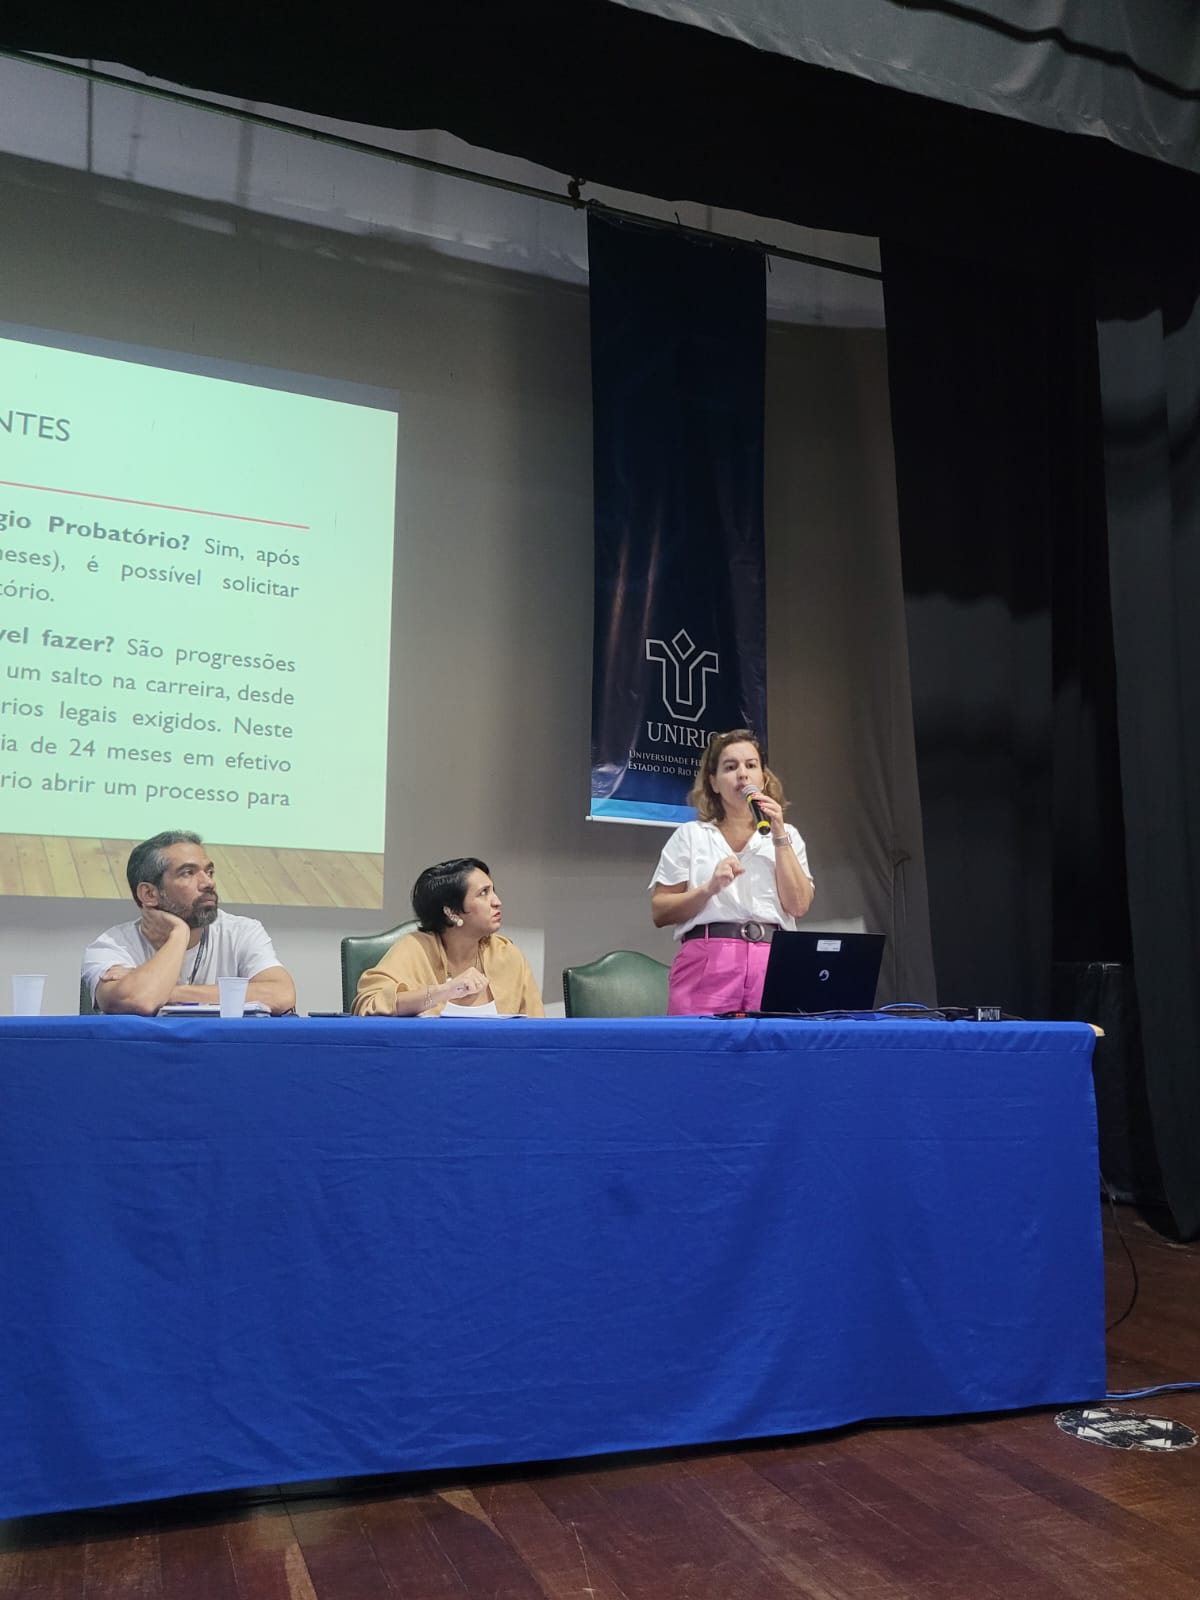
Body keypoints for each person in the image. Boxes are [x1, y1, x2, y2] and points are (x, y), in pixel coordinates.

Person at [649, 729, 814, 1014]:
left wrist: (779, 835)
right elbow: (660, 911)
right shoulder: (691, 835)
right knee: (700, 1042)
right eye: (730, 767)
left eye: (751, 765)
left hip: (773, 961)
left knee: (773, 1042)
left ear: (763, 777)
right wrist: (708, 889)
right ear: (713, 782)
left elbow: (798, 906)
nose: (742, 774)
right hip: (708, 961)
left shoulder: (788, 835)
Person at [82, 830, 297, 1016]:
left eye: (209, 872)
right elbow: (139, 1001)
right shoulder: (111, 946)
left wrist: (167, 992)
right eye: (188, 873)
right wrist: (179, 934)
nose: (208, 882)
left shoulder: (241, 931)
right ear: (149, 894)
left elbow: (282, 994)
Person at [352, 857, 544, 1017]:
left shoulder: (507, 955)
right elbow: (367, 1004)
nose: (497, 901)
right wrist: (445, 991)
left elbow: (538, 1029)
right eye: (483, 893)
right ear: (452, 912)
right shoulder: (416, 949)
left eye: (493, 890)